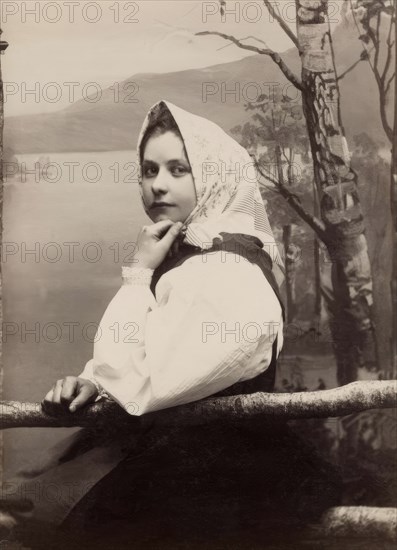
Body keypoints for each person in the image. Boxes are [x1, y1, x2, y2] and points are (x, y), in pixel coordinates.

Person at [20, 101, 341, 548]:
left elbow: (140, 384)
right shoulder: (192, 259)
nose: (158, 186)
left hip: (211, 473)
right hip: (173, 453)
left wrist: (137, 275)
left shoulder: (225, 269)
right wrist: (91, 383)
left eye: (178, 170)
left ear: (213, 177)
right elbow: (140, 364)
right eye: (149, 171)